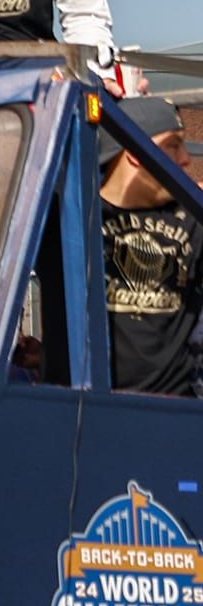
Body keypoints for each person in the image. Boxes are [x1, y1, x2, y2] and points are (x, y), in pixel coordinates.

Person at [98, 95, 202, 395]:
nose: (185, 159)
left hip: (171, 414)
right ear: (136, 153)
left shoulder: (193, 218)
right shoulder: (76, 214)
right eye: (173, 145)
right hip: (84, 412)